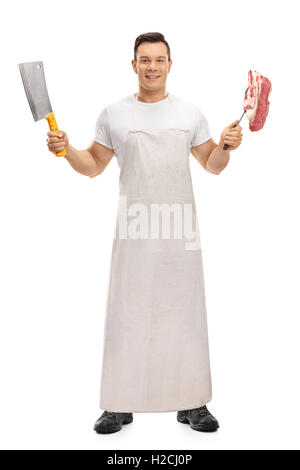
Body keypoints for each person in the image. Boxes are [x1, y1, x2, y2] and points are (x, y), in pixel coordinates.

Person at [47, 32, 243, 434]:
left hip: (179, 229)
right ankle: (118, 404)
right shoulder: (113, 114)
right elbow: (93, 165)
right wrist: (66, 149)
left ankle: (192, 403)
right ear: (133, 65)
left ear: (171, 65)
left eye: (159, 59)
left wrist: (226, 145)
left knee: (185, 315)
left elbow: (213, 165)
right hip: (134, 229)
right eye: (145, 60)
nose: (152, 66)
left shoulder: (190, 114)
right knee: (127, 313)